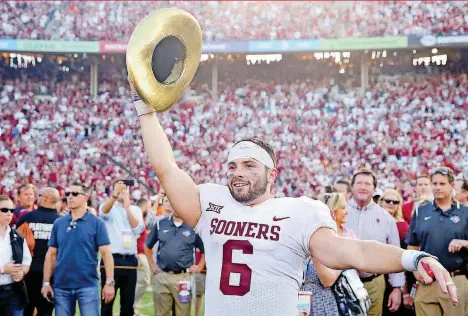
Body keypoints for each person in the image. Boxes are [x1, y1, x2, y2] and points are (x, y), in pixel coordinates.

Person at [131, 79, 457, 316]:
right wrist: (146, 110)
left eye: (248, 165)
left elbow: (354, 250)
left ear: (272, 174)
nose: (237, 172)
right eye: (232, 165)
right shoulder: (212, 203)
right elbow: (166, 168)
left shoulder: (300, 212)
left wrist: (413, 258)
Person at [41, 182, 115, 316]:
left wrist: (109, 282)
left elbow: (106, 253)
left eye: (75, 194)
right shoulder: (59, 223)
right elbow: (51, 254)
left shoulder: (97, 223)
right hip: (61, 285)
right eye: (68, 194)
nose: (70, 197)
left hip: (88, 285)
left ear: (86, 197)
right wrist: (46, 282)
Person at [407, 167, 468, 316]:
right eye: (434, 183)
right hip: (427, 281)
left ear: (451, 186)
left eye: (442, 183)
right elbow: (412, 245)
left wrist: (464, 243)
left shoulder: (465, 212)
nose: (438, 187)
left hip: (455, 280)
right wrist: (415, 270)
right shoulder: (420, 211)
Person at [345, 169, 405, 316]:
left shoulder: (386, 218)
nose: (363, 187)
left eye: (368, 184)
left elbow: (395, 254)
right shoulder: (339, 212)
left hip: (374, 282)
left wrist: (397, 288)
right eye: (359, 183)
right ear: (352, 187)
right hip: (343, 281)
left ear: (374, 188)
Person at [144, 195, 205, 316]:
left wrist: (199, 266)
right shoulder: (160, 224)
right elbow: (147, 246)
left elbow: (204, 249)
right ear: (171, 206)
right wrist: (152, 264)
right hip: (163, 275)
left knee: (183, 313)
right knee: (161, 313)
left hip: (183, 277)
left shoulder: (193, 226)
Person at [301, 193, 358, 316]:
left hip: (326, 303)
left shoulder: (345, 240)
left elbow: (328, 280)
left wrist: (313, 249)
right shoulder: (307, 235)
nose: (346, 211)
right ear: (332, 212)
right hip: (300, 302)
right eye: (343, 207)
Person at [98, 180, 144, 316]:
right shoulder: (108, 206)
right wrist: (114, 196)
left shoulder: (135, 209)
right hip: (112, 258)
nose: (121, 193)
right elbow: (103, 212)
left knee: (128, 302)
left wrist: (127, 208)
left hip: (130, 259)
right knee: (107, 301)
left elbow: (138, 228)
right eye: (119, 189)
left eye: (124, 190)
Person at [15, 187, 60, 316]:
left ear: (45, 198)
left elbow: (15, 243)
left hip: (28, 272)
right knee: (46, 310)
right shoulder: (61, 221)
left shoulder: (27, 218)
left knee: (26, 308)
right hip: (52, 273)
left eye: (38, 195)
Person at [380, 189, 414, 316]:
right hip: (376, 274)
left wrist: (403, 289)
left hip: (396, 274)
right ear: (380, 202)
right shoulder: (373, 222)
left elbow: (404, 259)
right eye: (387, 200)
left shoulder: (402, 226)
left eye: (395, 202)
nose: (391, 204)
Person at [0, 195, 32, 316]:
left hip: (13, 291)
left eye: (11, 210)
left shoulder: (17, 236)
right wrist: (3, 269)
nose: (9, 214)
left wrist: (21, 272)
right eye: (4, 210)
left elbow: (26, 262)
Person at [134, 198, 152, 316]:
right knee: (144, 280)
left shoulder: (143, 218)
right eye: (149, 206)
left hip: (142, 253)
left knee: (141, 281)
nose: (150, 208)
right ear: (144, 206)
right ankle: (133, 305)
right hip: (138, 253)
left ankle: (134, 308)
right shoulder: (137, 218)